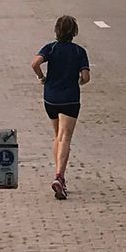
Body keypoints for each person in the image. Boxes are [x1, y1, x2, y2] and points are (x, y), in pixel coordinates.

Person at [30, 15, 91, 200]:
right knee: (65, 137)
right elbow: (86, 77)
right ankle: (60, 176)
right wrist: (79, 81)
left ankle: (58, 172)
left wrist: (41, 77)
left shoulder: (50, 48)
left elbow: (35, 63)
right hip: (70, 98)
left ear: (57, 30)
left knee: (57, 135)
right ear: (74, 32)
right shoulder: (79, 51)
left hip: (51, 97)